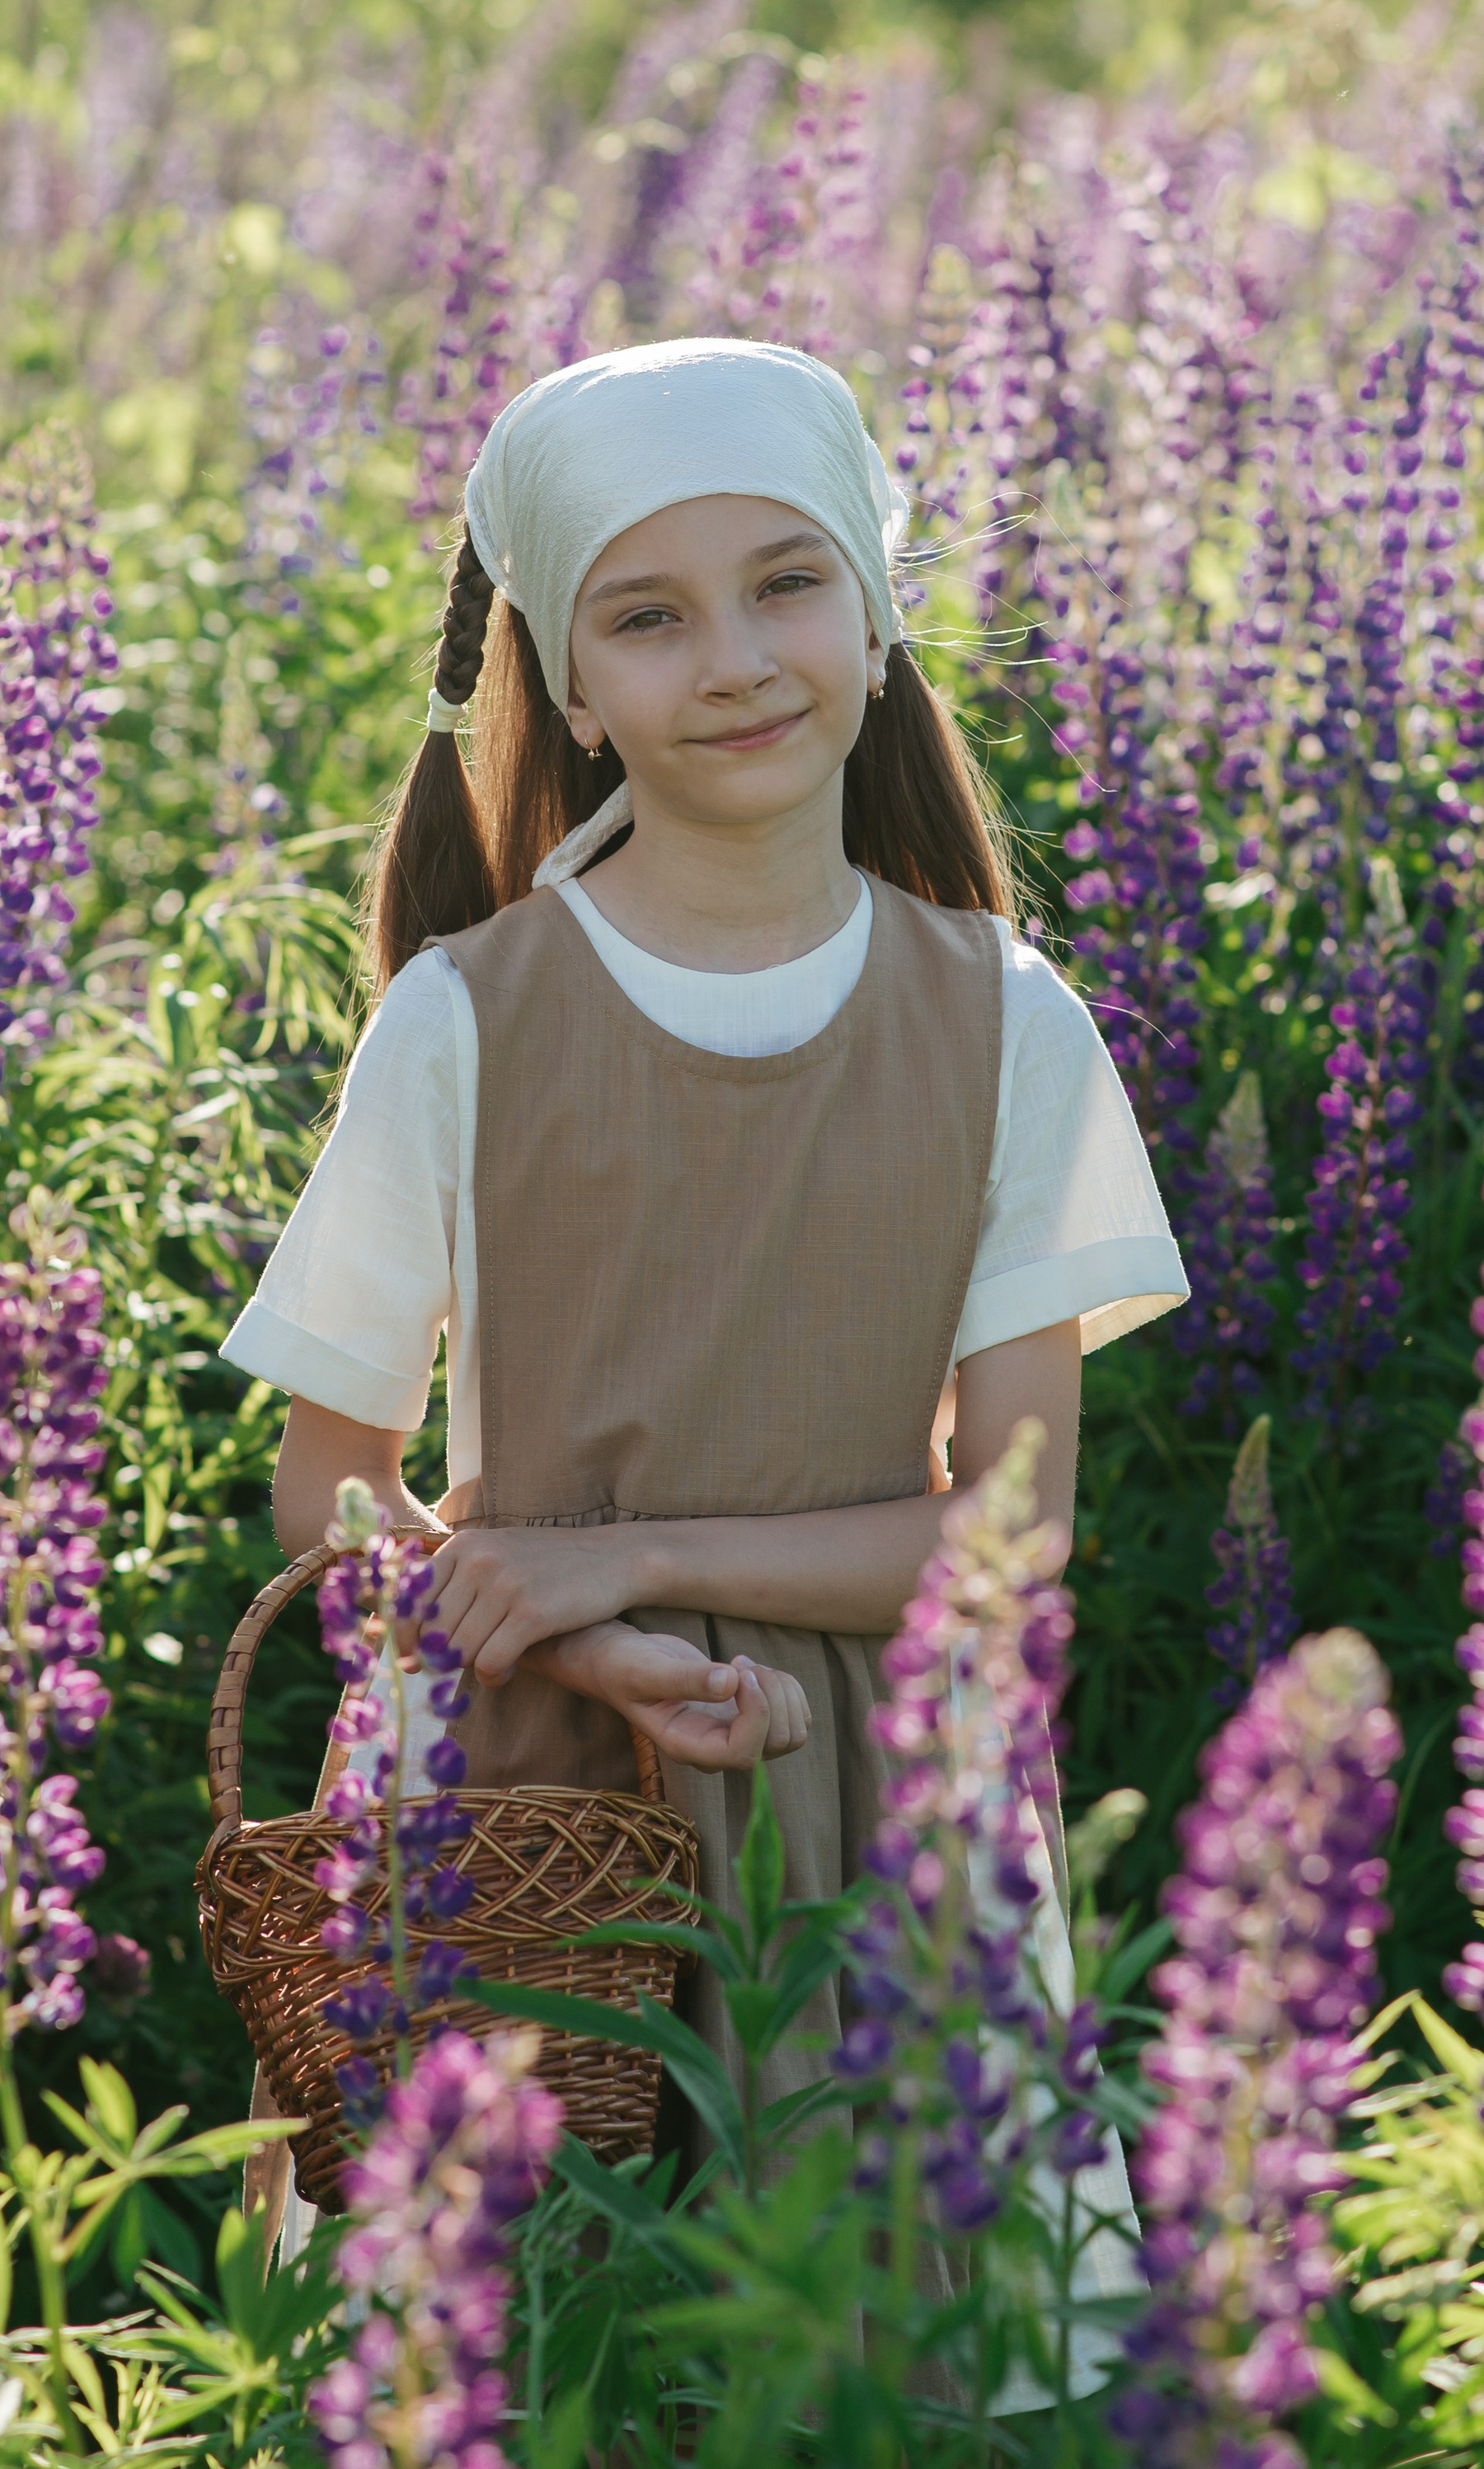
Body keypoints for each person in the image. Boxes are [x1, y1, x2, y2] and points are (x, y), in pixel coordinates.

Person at [222, 334, 1187, 2236]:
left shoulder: (1003, 1023)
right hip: (516, 1800)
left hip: (886, 1793)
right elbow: (329, 1483)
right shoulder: (464, 1018)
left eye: (786, 583)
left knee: (875, 2362)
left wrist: (619, 1557)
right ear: (567, 685)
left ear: (877, 607)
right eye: (649, 617)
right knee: (509, 2361)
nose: (736, 658)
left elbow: (1011, 1527)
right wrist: (575, 1634)